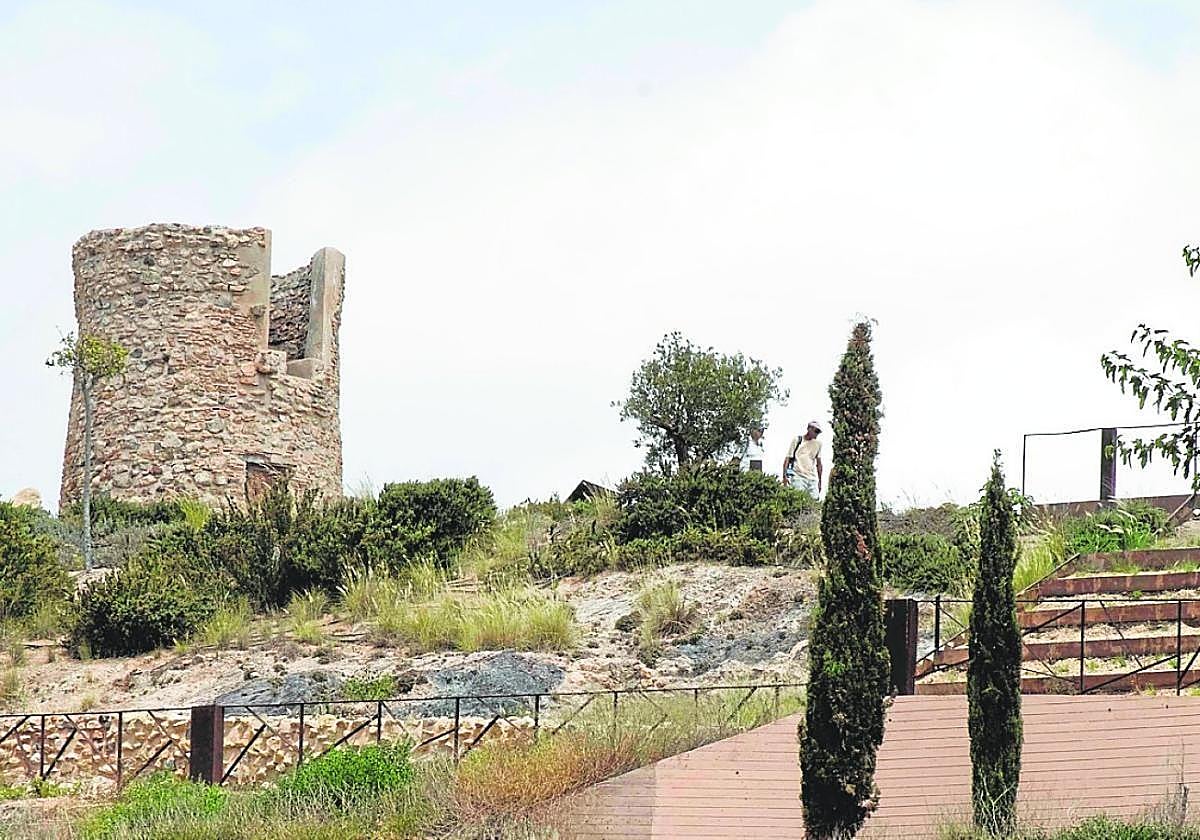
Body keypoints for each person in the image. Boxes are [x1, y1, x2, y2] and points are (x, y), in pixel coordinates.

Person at [783, 421, 823, 495]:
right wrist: (784, 476)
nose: (817, 434)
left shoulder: (818, 444)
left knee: (814, 503)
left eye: (818, 432)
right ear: (809, 429)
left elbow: (819, 463)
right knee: (798, 500)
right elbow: (788, 458)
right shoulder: (798, 440)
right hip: (798, 476)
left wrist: (820, 481)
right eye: (816, 431)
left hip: (812, 478)